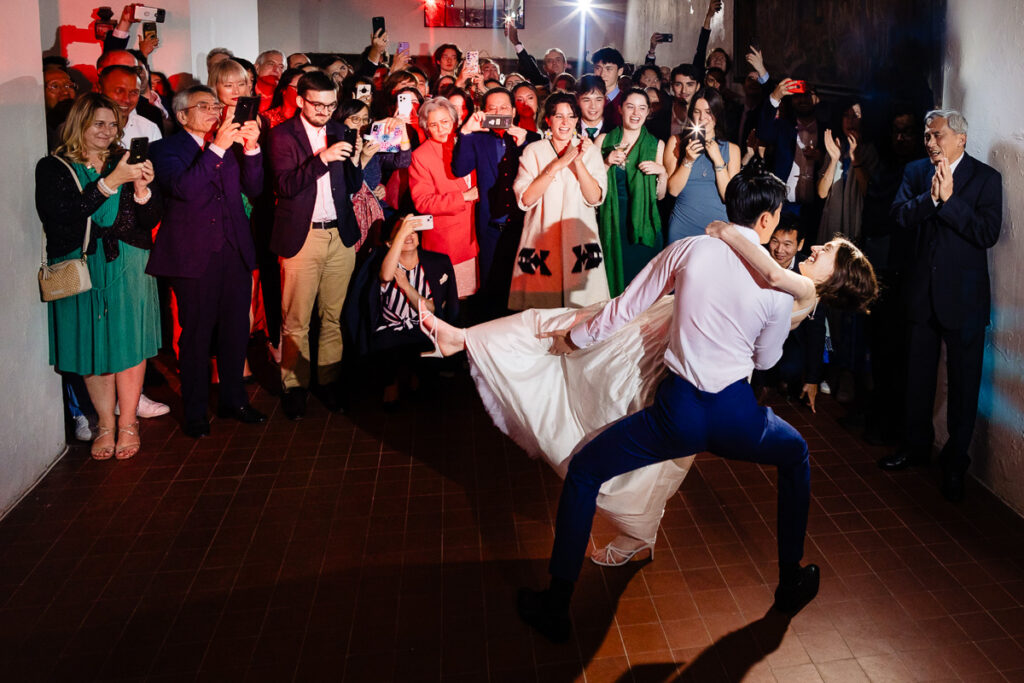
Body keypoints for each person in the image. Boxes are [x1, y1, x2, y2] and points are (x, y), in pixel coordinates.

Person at [418, 164, 879, 637]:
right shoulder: (783, 293)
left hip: (677, 413)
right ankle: (789, 580)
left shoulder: (693, 251)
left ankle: (557, 605)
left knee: (585, 472)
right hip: (734, 416)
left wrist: (576, 342)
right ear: (768, 220)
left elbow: (621, 309)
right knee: (797, 454)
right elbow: (764, 360)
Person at [877, 109, 1002, 503]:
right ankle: (915, 447)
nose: (930, 143)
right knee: (917, 378)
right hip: (921, 295)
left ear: (961, 139)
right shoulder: (916, 172)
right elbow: (898, 215)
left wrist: (948, 202)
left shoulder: (986, 179)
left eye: (938, 135)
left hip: (964, 300)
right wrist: (931, 201)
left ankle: (954, 465)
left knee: (965, 388)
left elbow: (986, 233)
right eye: (928, 136)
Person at [38, 93, 161, 460]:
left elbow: (151, 220)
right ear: (79, 124)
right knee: (92, 345)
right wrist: (110, 182)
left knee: (129, 343)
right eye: (99, 124)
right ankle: (105, 423)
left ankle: (128, 424)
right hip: (83, 266)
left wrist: (141, 191)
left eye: (113, 124)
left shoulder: (125, 158)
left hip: (129, 261)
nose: (108, 131)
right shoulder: (54, 167)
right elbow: (63, 216)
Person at [147, 86, 266, 438]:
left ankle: (234, 399)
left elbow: (255, 188)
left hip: (234, 251)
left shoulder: (227, 146)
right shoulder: (164, 150)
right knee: (197, 337)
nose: (214, 111)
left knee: (235, 332)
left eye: (216, 105)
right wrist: (218, 148)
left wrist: (252, 147)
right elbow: (184, 188)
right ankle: (196, 411)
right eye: (204, 106)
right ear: (182, 115)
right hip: (193, 256)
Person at [268, 71, 363, 420]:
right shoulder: (281, 135)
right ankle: (294, 386)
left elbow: (351, 184)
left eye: (330, 104)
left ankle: (328, 381)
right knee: (296, 320)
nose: (324, 111)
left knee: (333, 317)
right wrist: (322, 159)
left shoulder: (339, 131)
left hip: (340, 233)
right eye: (317, 104)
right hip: (302, 236)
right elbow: (285, 185)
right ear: (300, 101)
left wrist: (359, 159)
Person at [346, 216, 460, 407]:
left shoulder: (433, 264)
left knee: (424, 386)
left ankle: (417, 376)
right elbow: (386, 275)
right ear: (391, 242)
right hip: (389, 329)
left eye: (413, 231)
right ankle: (391, 385)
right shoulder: (383, 264)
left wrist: (408, 288)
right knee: (389, 363)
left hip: (422, 327)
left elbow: (433, 309)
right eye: (402, 232)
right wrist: (401, 234)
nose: (409, 235)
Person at [509, 93, 608, 310]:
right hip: (542, 240)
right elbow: (525, 199)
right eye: (559, 116)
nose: (565, 123)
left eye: (571, 117)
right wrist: (555, 166)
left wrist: (578, 162)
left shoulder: (589, 151)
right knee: (540, 313)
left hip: (579, 241)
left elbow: (595, 198)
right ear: (548, 120)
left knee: (583, 313)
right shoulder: (533, 151)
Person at [452, 87, 542, 320]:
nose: (499, 112)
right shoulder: (476, 137)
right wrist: (465, 132)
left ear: (513, 111)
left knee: (521, 283)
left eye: (504, 108)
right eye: (492, 108)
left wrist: (523, 144)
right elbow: (459, 169)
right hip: (489, 222)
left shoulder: (532, 139)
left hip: (522, 223)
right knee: (491, 284)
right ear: (483, 111)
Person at [596, 89, 666, 296]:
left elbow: (660, 196)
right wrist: (607, 162)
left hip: (643, 226)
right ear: (619, 109)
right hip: (612, 222)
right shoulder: (603, 141)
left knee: (642, 290)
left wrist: (662, 172)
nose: (636, 113)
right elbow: (590, 190)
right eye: (630, 107)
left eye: (642, 108)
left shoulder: (656, 144)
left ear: (648, 112)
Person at [751, 220, 827, 411]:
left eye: (787, 244)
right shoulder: (757, 259)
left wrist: (812, 379)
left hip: (791, 336)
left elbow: (816, 329)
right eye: (775, 242)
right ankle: (763, 382)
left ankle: (782, 379)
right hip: (756, 329)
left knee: (791, 368)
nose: (779, 250)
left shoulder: (808, 271)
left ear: (800, 244)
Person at [409, 97, 479, 300]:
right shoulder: (421, 156)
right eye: (433, 124)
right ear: (426, 127)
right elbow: (423, 202)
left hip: (477, 235)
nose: (441, 129)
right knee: (453, 301)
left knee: (476, 302)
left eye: (445, 122)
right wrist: (463, 197)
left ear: (455, 121)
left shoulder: (469, 142)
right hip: (448, 241)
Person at [664, 87, 740, 242]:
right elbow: (673, 190)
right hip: (682, 226)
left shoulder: (732, 149)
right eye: (697, 111)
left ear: (717, 114)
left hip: (717, 229)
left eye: (708, 112)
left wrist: (718, 161)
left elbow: (729, 197)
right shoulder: (676, 142)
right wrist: (688, 160)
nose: (702, 118)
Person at [645, 64, 701, 142]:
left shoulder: (704, 112)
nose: (684, 90)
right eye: (678, 84)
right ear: (672, 86)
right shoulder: (662, 109)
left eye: (689, 85)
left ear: (697, 87)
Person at [504, 23, 568, 88]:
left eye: (558, 60)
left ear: (565, 64)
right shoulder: (541, 84)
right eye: (549, 61)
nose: (554, 63)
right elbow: (530, 66)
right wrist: (516, 42)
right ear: (545, 68)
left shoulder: (575, 86)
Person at [591, 47, 625, 130]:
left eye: (609, 69)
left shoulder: (625, 101)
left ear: (620, 71)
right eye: (598, 68)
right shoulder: (586, 99)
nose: (602, 74)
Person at [576, 75, 608, 140]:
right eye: (586, 100)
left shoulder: (614, 131)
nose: (593, 106)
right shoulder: (569, 130)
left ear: (605, 100)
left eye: (598, 100)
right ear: (577, 101)